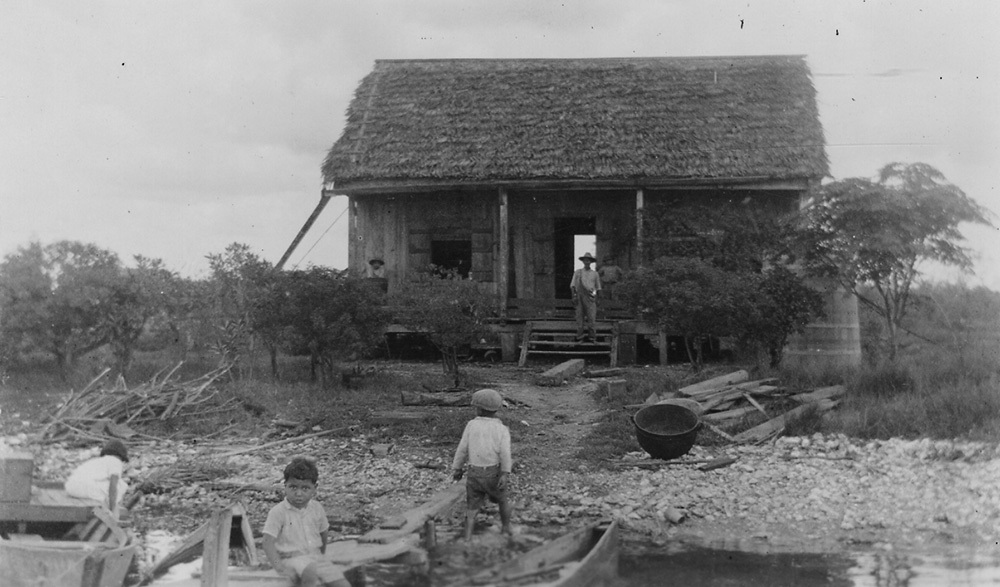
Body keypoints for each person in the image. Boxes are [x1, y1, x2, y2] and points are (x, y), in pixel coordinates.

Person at [262, 457, 350, 587]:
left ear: (314, 488)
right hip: (291, 559)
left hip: (315, 557)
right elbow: (267, 542)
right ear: (285, 486)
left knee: (342, 584)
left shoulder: (316, 508)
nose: (298, 493)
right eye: (293, 487)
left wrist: (320, 555)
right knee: (310, 572)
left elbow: (323, 534)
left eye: (305, 488)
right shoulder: (278, 512)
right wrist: (279, 567)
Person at [452, 388, 513, 540]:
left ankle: (467, 536)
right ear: (497, 409)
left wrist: (457, 469)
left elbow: (462, 449)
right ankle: (506, 528)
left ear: (478, 409)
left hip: (474, 472)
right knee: (502, 500)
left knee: (472, 507)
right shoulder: (502, 429)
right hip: (493, 472)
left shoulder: (471, 425)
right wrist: (505, 473)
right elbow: (505, 453)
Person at [65, 439, 130, 518]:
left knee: (108, 489)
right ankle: (115, 513)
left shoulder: (98, 461)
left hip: (70, 487)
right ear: (121, 456)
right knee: (122, 485)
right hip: (82, 488)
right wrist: (112, 509)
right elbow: (113, 487)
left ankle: (110, 509)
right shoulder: (116, 461)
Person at [570, 252, 602, 341]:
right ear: (583, 261)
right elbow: (572, 285)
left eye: (589, 260)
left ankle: (592, 337)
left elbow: (598, 288)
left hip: (590, 297)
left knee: (591, 318)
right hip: (579, 297)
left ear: (591, 262)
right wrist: (574, 296)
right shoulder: (578, 272)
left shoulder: (595, 274)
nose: (587, 262)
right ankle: (580, 337)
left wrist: (598, 298)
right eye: (585, 260)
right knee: (579, 318)